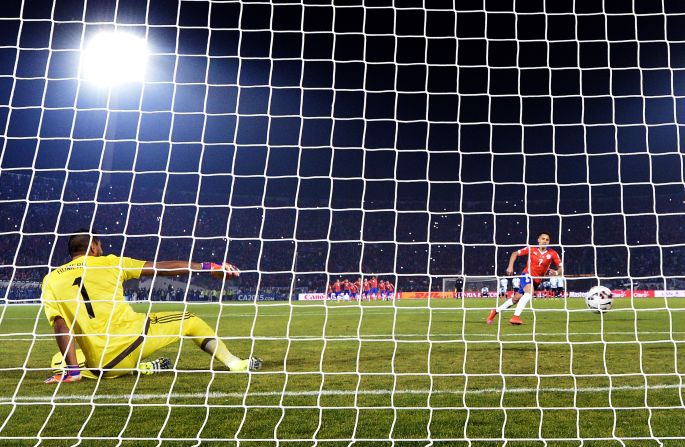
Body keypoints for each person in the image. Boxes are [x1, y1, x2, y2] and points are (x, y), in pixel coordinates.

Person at [42, 230, 262, 383]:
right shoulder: (110, 262)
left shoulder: (51, 279)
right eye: (99, 245)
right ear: (92, 246)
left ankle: (126, 369)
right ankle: (234, 363)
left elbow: (60, 326)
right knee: (190, 320)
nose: (102, 248)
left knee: (56, 359)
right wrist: (205, 267)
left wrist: (72, 371)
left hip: (103, 366)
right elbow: (161, 268)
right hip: (133, 339)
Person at [487, 231, 563, 325]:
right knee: (529, 293)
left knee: (515, 299)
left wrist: (555, 272)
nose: (545, 241)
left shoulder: (553, 253)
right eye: (543, 239)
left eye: (547, 240)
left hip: (536, 280)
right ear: (538, 240)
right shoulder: (531, 249)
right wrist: (510, 266)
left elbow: (560, 268)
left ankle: (495, 311)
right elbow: (515, 253)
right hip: (527, 275)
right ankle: (515, 317)